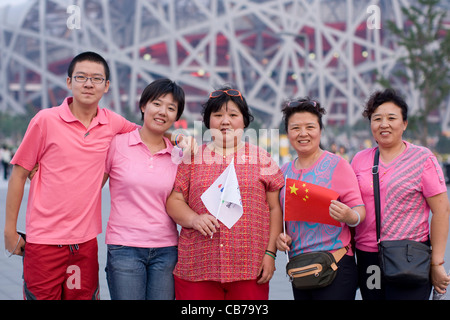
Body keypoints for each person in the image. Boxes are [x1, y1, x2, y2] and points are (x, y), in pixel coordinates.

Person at [4, 51, 140, 300]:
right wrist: (9, 231)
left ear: (106, 86)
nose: (89, 84)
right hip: (43, 242)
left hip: (85, 243)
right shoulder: (45, 120)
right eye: (81, 77)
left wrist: (176, 138)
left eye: (97, 79)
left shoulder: (112, 123)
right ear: (69, 82)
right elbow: (19, 173)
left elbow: (145, 135)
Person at [166, 86, 284, 300]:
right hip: (198, 266)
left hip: (249, 267)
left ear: (244, 121)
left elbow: (275, 209)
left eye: (233, 115)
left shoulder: (262, 159)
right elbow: (175, 200)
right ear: (208, 121)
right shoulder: (192, 157)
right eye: (217, 115)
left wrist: (270, 254)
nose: (225, 121)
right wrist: (194, 219)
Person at [351, 88, 450, 300]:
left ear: (404, 124)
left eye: (391, 118)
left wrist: (437, 262)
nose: (383, 124)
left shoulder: (422, 158)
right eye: (377, 118)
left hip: (409, 255)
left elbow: (442, 211)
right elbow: (351, 206)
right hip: (370, 258)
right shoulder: (360, 160)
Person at [103, 78, 186, 300]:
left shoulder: (178, 155)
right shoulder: (117, 144)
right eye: (157, 104)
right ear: (143, 106)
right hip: (124, 248)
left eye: (171, 108)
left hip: (166, 250)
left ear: (176, 117)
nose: (163, 112)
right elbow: (91, 185)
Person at [275, 97, 366, 300]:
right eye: (295, 127)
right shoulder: (284, 172)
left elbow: (360, 211)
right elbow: (281, 219)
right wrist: (280, 238)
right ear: (288, 132)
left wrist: (349, 216)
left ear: (320, 130)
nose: (303, 133)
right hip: (300, 269)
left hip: (335, 266)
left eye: (310, 127)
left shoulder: (338, 165)